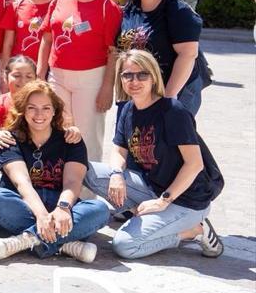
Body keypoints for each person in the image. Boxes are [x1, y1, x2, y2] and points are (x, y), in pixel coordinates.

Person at [86, 49, 223, 259]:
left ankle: (194, 231)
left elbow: (195, 164)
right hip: (151, 188)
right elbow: (119, 149)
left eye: (142, 74)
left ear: (154, 77)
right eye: (127, 75)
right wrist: (116, 174)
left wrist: (163, 201)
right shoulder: (128, 109)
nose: (134, 81)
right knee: (85, 169)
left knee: (125, 246)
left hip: (186, 200)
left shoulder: (172, 111)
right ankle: (141, 213)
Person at [0, 80, 107, 262]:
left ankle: (27, 239)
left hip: (58, 204)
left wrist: (63, 208)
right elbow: (22, 183)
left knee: (100, 209)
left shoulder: (71, 140)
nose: (39, 114)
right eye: (32, 108)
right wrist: (41, 216)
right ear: (23, 110)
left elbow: (72, 182)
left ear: (55, 110)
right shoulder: (10, 140)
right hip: (23, 205)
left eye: (46, 108)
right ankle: (64, 244)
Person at [39, 0, 121, 158]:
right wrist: (40, 77)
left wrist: (107, 88)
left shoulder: (107, 6)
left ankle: (88, 180)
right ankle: (60, 177)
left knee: (87, 137)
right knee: (58, 132)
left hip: (91, 79)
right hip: (57, 77)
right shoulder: (59, 0)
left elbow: (114, 52)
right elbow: (47, 39)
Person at [119, 0, 206, 115]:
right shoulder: (129, 11)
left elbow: (188, 54)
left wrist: (168, 97)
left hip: (176, 90)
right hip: (139, 89)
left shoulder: (179, 12)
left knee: (170, 131)